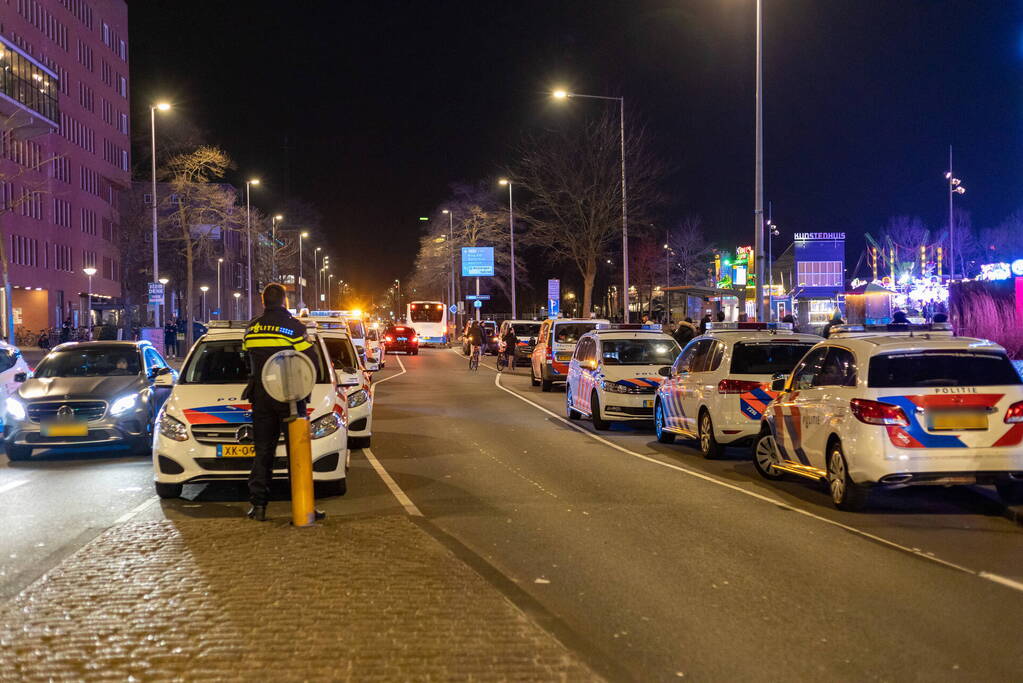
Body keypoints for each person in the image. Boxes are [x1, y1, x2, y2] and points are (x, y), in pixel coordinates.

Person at [242, 283, 321, 522]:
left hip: (262, 398)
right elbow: (310, 362)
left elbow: (247, 359)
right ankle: (302, 505)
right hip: (290, 398)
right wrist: (305, 390)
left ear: (264, 302)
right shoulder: (294, 328)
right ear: (284, 301)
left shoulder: (252, 328)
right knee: (296, 452)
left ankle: (258, 507)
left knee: (263, 452)